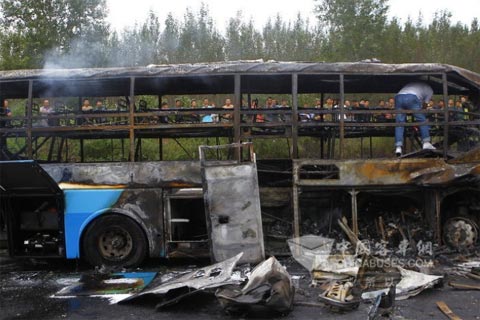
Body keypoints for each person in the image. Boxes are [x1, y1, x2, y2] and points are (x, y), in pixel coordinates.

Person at [394, 82, 435, 156]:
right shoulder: (430, 90)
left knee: (399, 123)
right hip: (412, 97)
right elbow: (425, 105)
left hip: (398, 97)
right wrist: (420, 112)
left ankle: (398, 147)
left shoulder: (412, 84)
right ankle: (426, 142)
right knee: (422, 120)